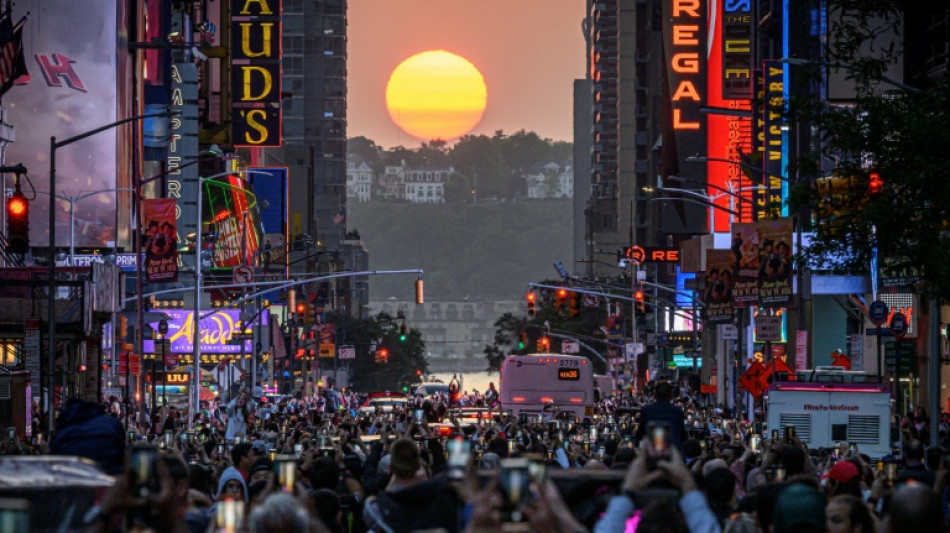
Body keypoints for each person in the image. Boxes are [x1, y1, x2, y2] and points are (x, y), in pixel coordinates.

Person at [49, 398, 125, 475]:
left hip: (72, 476)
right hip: (109, 475)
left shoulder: (65, 430)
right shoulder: (111, 424)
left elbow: (53, 456)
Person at [635, 380, 687, 454]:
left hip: (652, 454)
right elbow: (683, 436)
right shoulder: (677, 411)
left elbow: (640, 434)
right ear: (671, 395)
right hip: (673, 454)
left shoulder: (646, 410)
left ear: (655, 395)